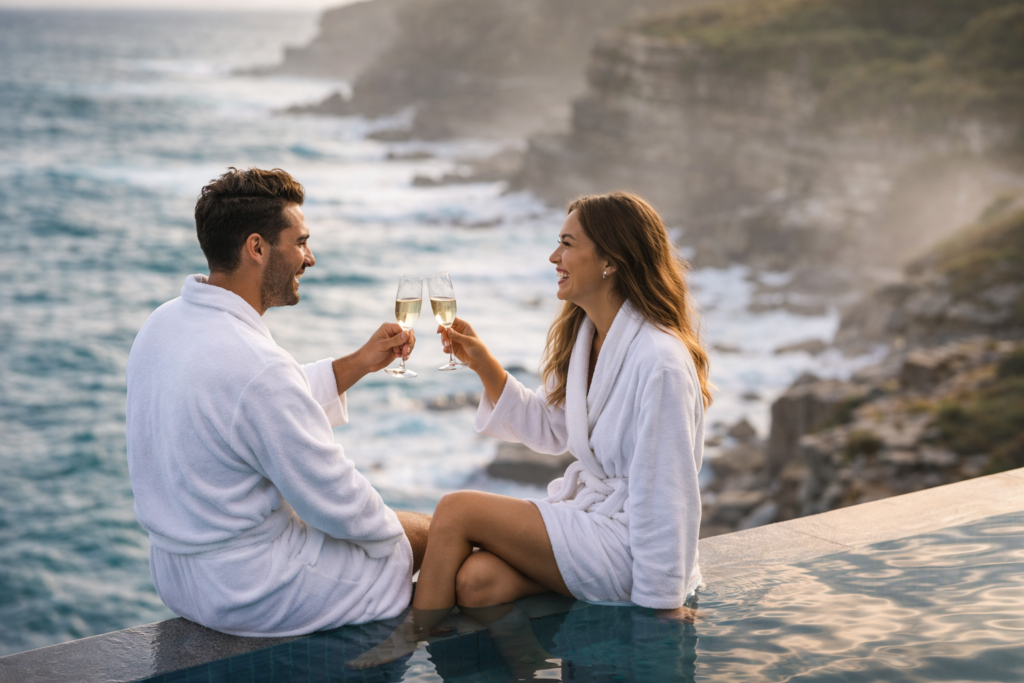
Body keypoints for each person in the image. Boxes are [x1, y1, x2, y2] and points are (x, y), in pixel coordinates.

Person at [349, 191, 710, 669]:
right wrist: (485, 366)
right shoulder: (587, 337)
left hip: (631, 548)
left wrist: (660, 607)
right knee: (478, 581)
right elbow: (552, 429)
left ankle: (411, 643)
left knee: (456, 510)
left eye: (566, 244)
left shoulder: (660, 361)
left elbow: (669, 493)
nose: (553, 257)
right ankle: (525, 671)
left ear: (611, 261)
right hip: (597, 528)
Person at [126, 167, 430, 637]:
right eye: (301, 241)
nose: (310, 257)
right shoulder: (257, 365)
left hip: (176, 576)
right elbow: (333, 499)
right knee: (431, 534)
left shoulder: (164, 324)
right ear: (257, 247)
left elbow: (246, 407)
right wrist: (397, 540)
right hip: (252, 588)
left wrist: (358, 363)